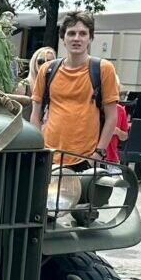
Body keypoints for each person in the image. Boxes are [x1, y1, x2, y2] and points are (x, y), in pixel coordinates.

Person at [30, 12, 119, 166]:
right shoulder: (47, 70)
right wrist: (39, 148)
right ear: (63, 39)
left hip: (85, 158)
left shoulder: (103, 68)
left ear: (90, 38)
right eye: (71, 33)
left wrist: (98, 153)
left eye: (83, 34)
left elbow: (112, 117)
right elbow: (35, 113)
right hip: (49, 155)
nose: (77, 38)